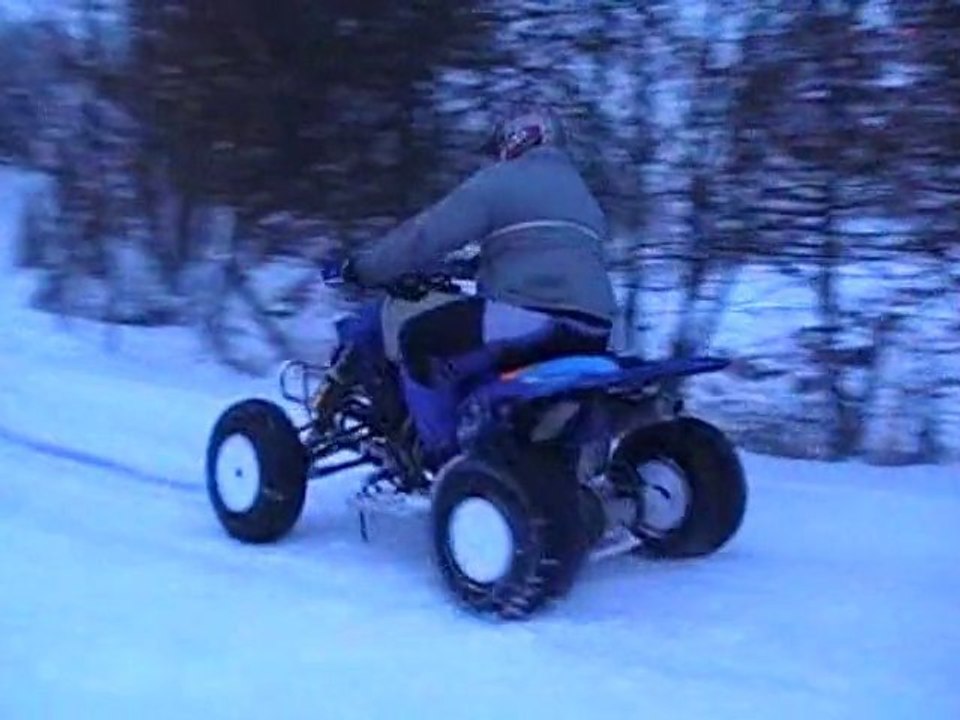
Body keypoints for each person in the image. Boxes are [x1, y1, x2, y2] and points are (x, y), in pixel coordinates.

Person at [327, 102, 618, 470]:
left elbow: (425, 236)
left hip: (531, 319)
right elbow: (545, 252)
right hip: (594, 328)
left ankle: (441, 457)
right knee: (469, 340)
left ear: (517, 138)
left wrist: (362, 269)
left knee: (420, 341)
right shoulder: (584, 198)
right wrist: (477, 265)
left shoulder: (502, 180)